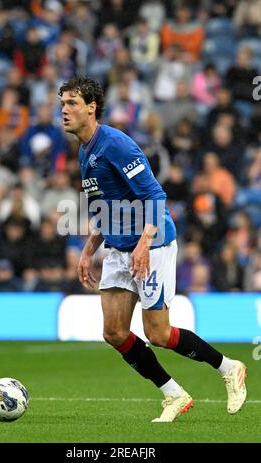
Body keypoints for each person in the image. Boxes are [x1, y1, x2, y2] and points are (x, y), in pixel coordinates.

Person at [58, 76, 247, 423]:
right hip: (119, 247)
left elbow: (156, 196)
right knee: (113, 332)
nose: (64, 110)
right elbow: (107, 208)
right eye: (62, 103)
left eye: (71, 103)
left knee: (157, 333)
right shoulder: (84, 149)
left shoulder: (116, 145)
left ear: (91, 107)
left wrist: (144, 245)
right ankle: (174, 394)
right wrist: (88, 250)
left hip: (153, 242)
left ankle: (229, 367)